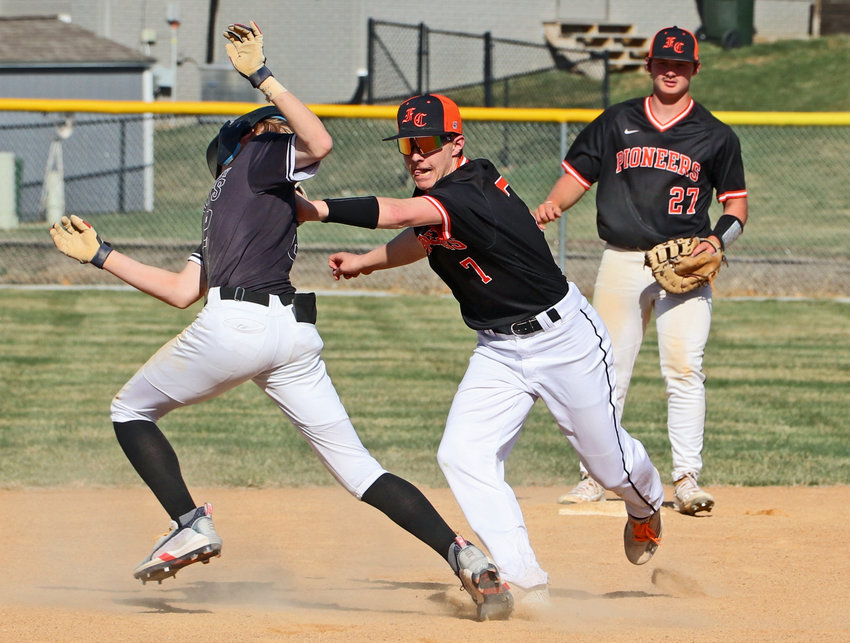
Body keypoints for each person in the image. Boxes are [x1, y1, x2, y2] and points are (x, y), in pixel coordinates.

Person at [48, 21, 513, 622]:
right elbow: (183, 288)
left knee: (129, 410)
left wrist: (262, 77)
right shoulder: (254, 178)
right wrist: (103, 254)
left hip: (238, 326)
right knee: (362, 470)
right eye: (265, 128)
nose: (275, 132)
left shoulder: (245, 175)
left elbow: (316, 143)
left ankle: (190, 523)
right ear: (246, 141)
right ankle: (466, 557)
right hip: (291, 336)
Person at [299, 92, 665, 606]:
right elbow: (426, 233)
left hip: (565, 341)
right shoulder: (448, 192)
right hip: (498, 348)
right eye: (407, 145)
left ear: (455, 143)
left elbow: (400, 213)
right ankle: (526, 580)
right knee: (462, 454)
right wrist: (367, 262)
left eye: (427, 143)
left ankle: (647, 506)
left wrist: (315, 209)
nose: (415, 155)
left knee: (608, 469)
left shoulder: (469, 190)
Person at [534, 26, 748, 515]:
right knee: (608, 371)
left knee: (684, 367)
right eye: (663, 62)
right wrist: (552, 205)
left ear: (694, 69)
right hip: (622, 260)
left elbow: (736, 205)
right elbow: (576, 177)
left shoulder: (715, 135)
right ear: (649, 65)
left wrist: (716, 240)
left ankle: (687, 479)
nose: (671, 69)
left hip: (686, 265)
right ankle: (595, 476)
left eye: (681, 63)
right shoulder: (616, 121)